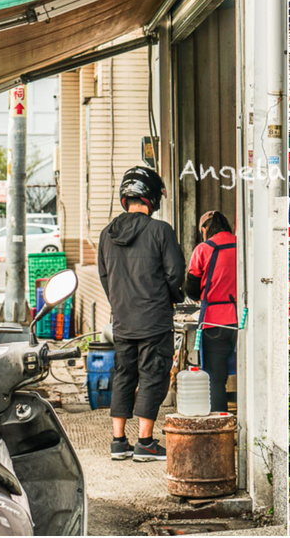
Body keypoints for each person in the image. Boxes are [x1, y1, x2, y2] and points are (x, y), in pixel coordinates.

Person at [98, 166, 185, 462]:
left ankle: (118, 441)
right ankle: (145, 443)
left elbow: (104, 277)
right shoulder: (161, 231)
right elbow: (175, 274)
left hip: (122, 321)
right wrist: (173, 298)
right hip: (154, 320)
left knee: (123, 375)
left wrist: (120, 303)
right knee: (152, 376)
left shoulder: (106, 234)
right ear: (151, 198)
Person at [185, 210, 238, 414]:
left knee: (216, 378)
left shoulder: (203, 249)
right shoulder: (242, 246)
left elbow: (191, 288)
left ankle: (221, 421)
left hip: (214, 321)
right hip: (242, 319)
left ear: (205, 229)